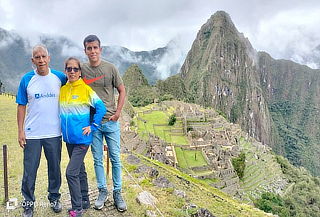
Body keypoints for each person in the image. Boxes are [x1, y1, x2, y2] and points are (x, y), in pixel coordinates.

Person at [16, 45, 66, 217]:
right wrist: (20, 131)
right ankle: (28, 204)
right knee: (29, 171)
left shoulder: (60, 77)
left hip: (54, 133)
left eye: (43, 56)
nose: (41, 60)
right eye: (37, 57)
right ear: (33, 61)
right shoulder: (26, 80)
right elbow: (21, 106)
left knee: (54, 169)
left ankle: (54, 198)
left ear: (49, 58)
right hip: (32, 134)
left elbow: (76, 88)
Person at [81, 35, 127, 212]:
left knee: (115, 158)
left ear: (100, 49)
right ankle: (102, 191)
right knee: (97, 159)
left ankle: (117, 192)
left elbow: (122, 90)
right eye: (89, 48)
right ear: (85, 51)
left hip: (110, 122)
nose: (92, 51)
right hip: (93, 124)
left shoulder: (110, 68)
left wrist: (117, 113)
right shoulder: (82, 70)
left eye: (95, 48)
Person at [60, 57, 106, 217]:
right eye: (69, 69)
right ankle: (85, 201)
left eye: (75, 69)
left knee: (71, 173)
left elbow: (101, 108)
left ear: (80, 72)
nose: (72, 71)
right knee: (79, 170)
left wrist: (93, 126)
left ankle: (77, 208)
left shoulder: (86, 90)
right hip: (69, 139)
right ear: (65, 71)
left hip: (82, 139)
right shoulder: (63, 90)